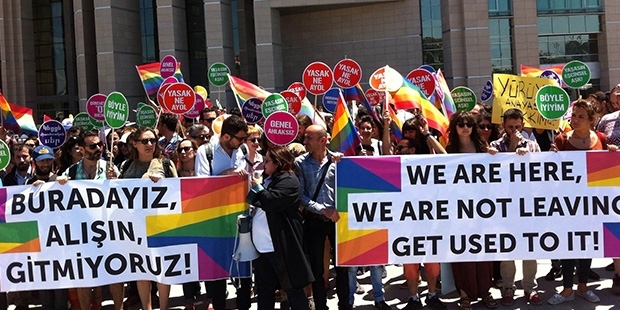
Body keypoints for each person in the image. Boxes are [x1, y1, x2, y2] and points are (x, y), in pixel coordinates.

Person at [547, 99, 617, 305]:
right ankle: (567, 289)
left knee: (587, 245)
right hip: (568, 204)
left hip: (592, 204)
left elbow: (607, 173)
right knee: (569, 245)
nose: (575, 120)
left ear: (592, 120)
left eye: (581, 117)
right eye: (573, 115)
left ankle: (583, 287)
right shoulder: (561, 140)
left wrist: (611, 155)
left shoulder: (602, 139)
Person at [57, 130, 124, 310]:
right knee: (83, 277)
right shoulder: (71, 171)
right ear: (81, 149)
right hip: (82, 234)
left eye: (100, 145)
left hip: (109, 231)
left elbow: (123, 198)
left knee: (115, 274)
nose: (98, 149)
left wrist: (116, 181)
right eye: (92, 146)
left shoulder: (110, 169)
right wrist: (57, 182)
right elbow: (55, 195)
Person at [194, 115, 252, 310]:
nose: (244, 143)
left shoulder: (242, 150)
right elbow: (202, 183)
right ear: (227, 137)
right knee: (217, 264)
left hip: (239, 215)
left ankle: (243, 302)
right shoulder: (206, 151)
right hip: (215, 217)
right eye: (241, 138)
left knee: (244, 262)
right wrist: (228, 174)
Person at [486, 109, 542, 306]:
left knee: (529, 246)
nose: (514, 130)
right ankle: (508, 286)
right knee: (507, 247)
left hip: (528, 204)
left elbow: (541, 173)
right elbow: (495, 174)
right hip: (504, 204)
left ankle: (529, 287)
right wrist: (511, 148)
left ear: (523, 124)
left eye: (517, 127)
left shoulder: (533, 146)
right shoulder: (494, 146)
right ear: (503, 125)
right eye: (510, 127)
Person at [247, 146, 314, 310]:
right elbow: (253, 200)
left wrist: (257, 187)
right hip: (262, 249)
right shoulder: (269, 179)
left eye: (267, 161)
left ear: (278, 163)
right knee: (264, 290)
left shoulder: (289, 181)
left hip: (281, 248)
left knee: (293, 289)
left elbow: (271, 201)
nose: (264, 164)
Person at [118, 127, 177, 310]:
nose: (150, 144)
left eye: (153, 140)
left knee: (162, 270)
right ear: (134, 144)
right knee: (142, 270)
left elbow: (177, 191)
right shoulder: (126, 167)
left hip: (161, 225)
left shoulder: (165, 164)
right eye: (145, 141)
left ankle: (164, 307)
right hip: (134, 227)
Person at [446, 112, 497, 310]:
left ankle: (485, 290)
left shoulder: (484, 149)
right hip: (458, 210)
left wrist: (493, 156)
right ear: (455, 127)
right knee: (462, 253)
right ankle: (464, 293)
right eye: (461, 124)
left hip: (483, 209)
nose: (465, 127)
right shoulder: (449, 150)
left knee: (484, 252)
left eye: (469, 123)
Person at [296, 124, 350, 310]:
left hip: (338, 222)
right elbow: (301, 196)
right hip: (314, 222)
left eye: (309, 138)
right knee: (317, 270)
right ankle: (321, 306)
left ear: (323, 141)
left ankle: (345, 304)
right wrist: (322, 210)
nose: (305, 142)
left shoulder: (339, 161)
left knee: (342, 267)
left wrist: (346, 164)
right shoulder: (300, 163)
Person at [27, 145, 67, 310]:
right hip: (38, 243)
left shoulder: (61, 181)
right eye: (42, 160)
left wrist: (64, 185)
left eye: (48, 160)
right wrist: (30, 190)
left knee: (60, 288)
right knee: (44, 286)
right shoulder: (28, 183)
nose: (45, 163)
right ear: (35, 162)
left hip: (59, 242)